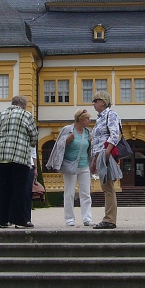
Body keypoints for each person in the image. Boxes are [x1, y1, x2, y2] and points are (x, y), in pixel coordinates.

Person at [0, 95, 39, 229]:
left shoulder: (2, 114)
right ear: (24, 105)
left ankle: (2, 221)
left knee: (4, 188)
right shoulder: (26, 115)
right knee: (19, 188)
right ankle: (19, 220)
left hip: (1, 156)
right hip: (19, 156)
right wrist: (27, 142)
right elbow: (34, 136)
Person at [46, 108, 94, 227]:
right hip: (70, 166)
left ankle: (87, 218)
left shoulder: (88, 132)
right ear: (80, 119)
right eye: (87, 119)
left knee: (86, 193)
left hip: (84, 166)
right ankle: (69, 219)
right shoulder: (68, 130)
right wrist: (68, 139)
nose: (89, 121)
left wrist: (91, 143)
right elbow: (59, 146)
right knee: (69, 193)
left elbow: (89, 150)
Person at [90, 91, 122, 229]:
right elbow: (96, 141)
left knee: (108, 187)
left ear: (103, 102)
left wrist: (107, 153)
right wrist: (94, 159)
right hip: (101, 155)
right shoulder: (100, 118)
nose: (94, 103)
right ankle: (109, 218)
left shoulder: (111, 115)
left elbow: (115, 135)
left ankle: (109, 219)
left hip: (105, 155)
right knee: (106, 187)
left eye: (96, 101)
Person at [22, 146, 37, 228]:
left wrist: (35, 169)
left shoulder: (31, 136)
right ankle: (13, 218)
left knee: (27, 193)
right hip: (17, 163)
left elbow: (34, 154)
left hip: (29, 165)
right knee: (16, 192)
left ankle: (27, 219)